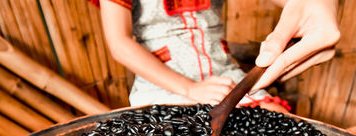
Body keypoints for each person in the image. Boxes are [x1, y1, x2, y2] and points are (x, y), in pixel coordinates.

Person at [92, 0, 340, 113]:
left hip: (224, 75)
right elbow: (120, 44)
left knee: (277, 115)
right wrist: (189, 89)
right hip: (162, 83)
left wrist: (320, 3)